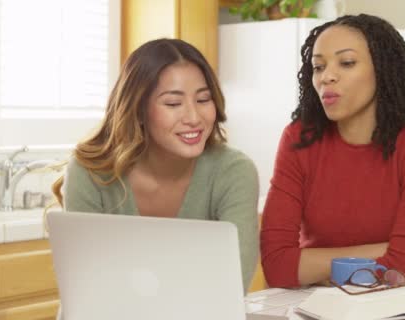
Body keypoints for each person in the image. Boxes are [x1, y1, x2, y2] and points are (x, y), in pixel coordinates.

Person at [52, 39, 259, 290]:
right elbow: (86, 286)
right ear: (138, 110)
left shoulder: (233, 173)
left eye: (203, 100)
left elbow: (232, 285)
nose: (194, 118)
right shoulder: (90, 172)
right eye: (173, 104)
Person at [260, 14, 405, 288]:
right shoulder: (299, 139)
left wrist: (312, 267)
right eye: (318, 67)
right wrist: (384, 253)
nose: (327, 77)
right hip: (312, 307)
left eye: (346, 63)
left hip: (395, 309)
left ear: (383, 69)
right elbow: (277, 266)